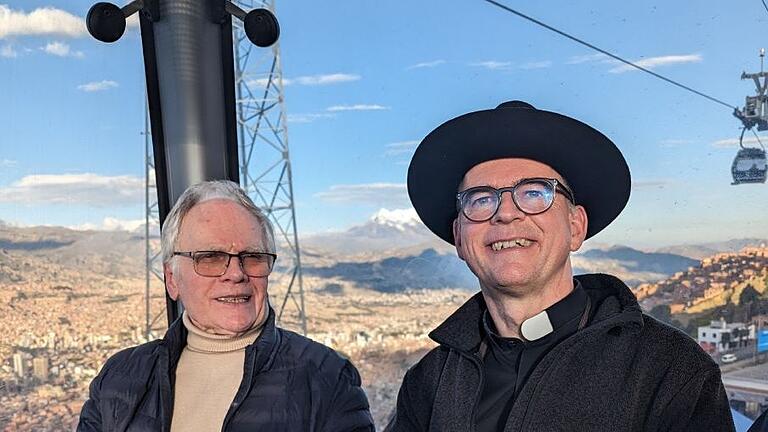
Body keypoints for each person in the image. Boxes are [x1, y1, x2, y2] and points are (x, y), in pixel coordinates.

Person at [385, 101, 735, 431]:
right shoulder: (428, 381)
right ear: (460, 238)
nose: (505, 213)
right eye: (481, 199)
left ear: (576, 227)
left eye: (535, 193)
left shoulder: (669, 371)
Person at [78, 180, 373, 431]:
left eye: (253, 257)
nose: (235, 274)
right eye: (210, 257)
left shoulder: (327, 378)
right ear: (172, 280)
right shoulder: (118, 379)